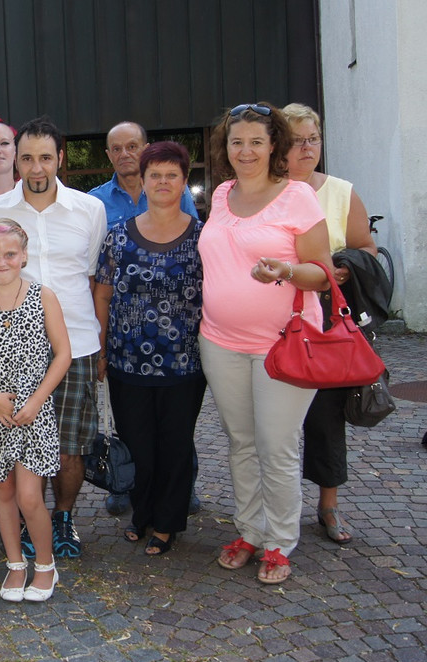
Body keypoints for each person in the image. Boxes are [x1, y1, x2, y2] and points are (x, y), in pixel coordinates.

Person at [199, 102, 331, 585]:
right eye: (237, 142)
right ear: (226, 147)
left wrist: (287, 270)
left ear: (274, 144)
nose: (246, 151)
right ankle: (250, 531)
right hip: (220, 341)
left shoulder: (297, 196)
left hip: (283, 345)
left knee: (276, 446)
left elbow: (323, 274)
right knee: (241, 442)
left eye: (257, 141)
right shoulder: (221, 194)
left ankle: (279, 541)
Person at [0, 117, 107, 560]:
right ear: (16, 160)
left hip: (77, 343)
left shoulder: (90, 210)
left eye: (46, 158)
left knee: (71, 447)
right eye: (28, 158)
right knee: (16, 442)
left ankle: (63, 516)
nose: (37, 168)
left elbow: (92, 278)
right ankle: (21, 518)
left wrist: (101, 345)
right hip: (16, 350)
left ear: (60, 159)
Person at [93, 141, 206, 557]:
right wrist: (101, 350)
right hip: (127, 360)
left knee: (175, 444)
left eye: (171, 175)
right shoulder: (119, 235)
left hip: (184, 362)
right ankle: (141, 514)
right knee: (137, 442)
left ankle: (168, 523)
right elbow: (102, 294)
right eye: (154, 174)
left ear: (184, 182)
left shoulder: (202, 237)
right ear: (142, 180)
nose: (162, 182)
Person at [0, 219, 71, 602]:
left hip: (32, 412)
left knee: (29, 496)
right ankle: (15, 563)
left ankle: (46, 565)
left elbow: (62, 354)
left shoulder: (43, 297)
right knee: (2, 491)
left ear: (23, 256)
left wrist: (36, 400)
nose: (1, 261)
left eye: (9, 254)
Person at [282, 102, 377, 545]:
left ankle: (328, 505)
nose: (306, 148)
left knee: (325, 418)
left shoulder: (341, 192)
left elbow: (366, 248)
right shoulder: (268, 190)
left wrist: (342, 269)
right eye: (297, 140)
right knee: (272, 423)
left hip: (325, 322)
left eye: (313, 139)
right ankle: (274, 505)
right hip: (275, 320)